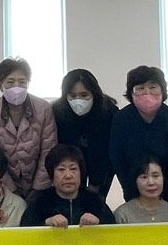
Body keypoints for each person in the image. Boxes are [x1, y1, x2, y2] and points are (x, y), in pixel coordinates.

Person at [108, 65, 168, 203]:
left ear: (162, 90)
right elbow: (117, 157)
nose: (147, 93)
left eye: (153, 87)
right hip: (132, 192)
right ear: (131, 92)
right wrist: (130, 190)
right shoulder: (121, 119)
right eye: (140, 88)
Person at [0, 57, 58, 198]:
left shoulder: (43, 109)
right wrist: (12, 191)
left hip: (41, 187)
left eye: (22, 82)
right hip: (6, 188)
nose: (16, 87)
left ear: (28, 83)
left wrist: (37, 190)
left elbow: (48, 151)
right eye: (10, 82)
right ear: (0, 85)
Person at [51, 68, 119, 199]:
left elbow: (109, 152)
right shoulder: (57, 112)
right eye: (72, 96)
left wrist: (96, 183)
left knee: (96, 202)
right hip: (70, 166)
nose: (78, 100)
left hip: (101, 165)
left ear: (94, 93)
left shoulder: (109, 112)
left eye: (84, 95)